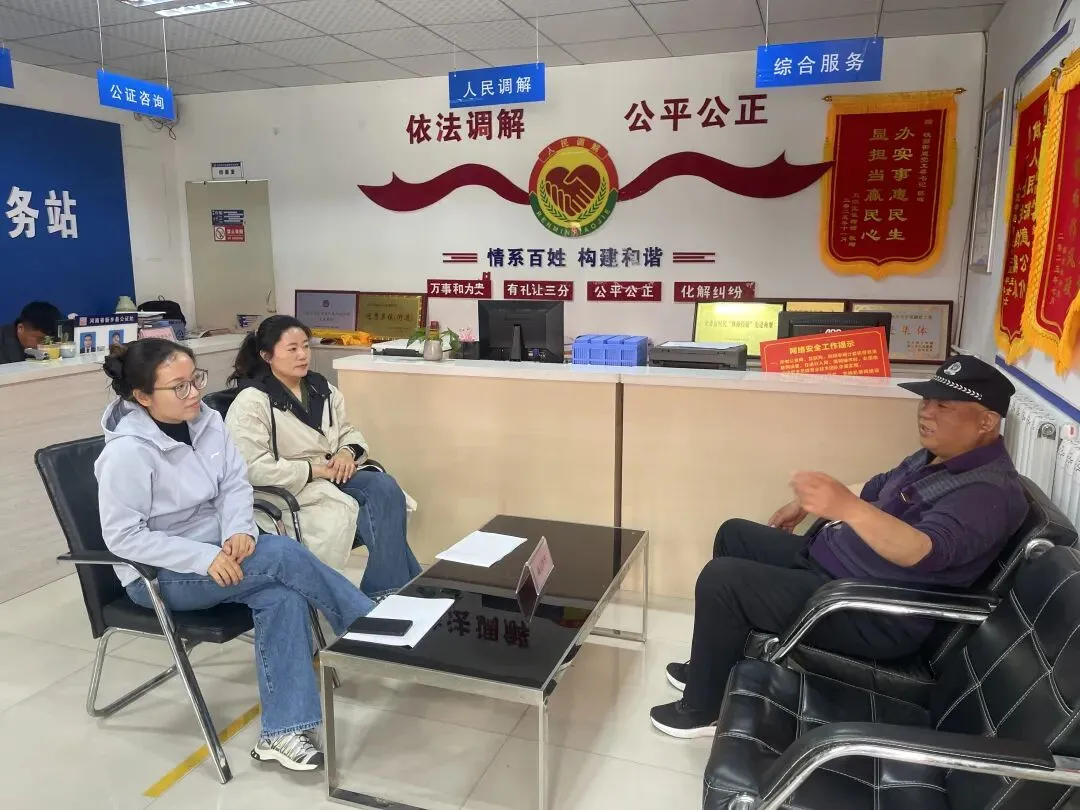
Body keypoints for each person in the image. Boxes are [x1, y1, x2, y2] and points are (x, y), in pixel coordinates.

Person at [650, 355, 1028, 739]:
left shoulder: (988, 492)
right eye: (926, 401)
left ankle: (705, 708)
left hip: (869, 609)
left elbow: (922, 549)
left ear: (986, 422)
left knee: (723, 581)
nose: (926, 412)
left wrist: (846, 509)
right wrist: (805, 504)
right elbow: (876, 488)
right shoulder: (939, 456)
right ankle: (713, 667)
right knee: (734, 534)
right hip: (835, 565)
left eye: (943, 406)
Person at [96, 338, 375, 771]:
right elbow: (124, 537)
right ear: (143, 397)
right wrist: (203, 558)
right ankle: (368, 628)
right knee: (280, 553)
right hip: (160, 574)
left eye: (196, 380)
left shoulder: (207, 420)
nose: (195, 393)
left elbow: (234, 484)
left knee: (283, 596)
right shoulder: (126, 453)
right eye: (179, 387)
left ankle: (282, 731)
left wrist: (239, 529)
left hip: (224, 549)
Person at [224, 315, 421, 598]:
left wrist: (346, 452)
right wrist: (315, 470)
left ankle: (386, 590)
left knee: (385, 487)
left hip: (332, 476)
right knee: (380, 516)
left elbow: (348, 432)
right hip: (292, 487)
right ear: (267, 356)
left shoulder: (321, 388)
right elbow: (252, 468)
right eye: (292, 349)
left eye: (306, 346)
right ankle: (403, 590)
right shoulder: (252, 401)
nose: (303, 355)